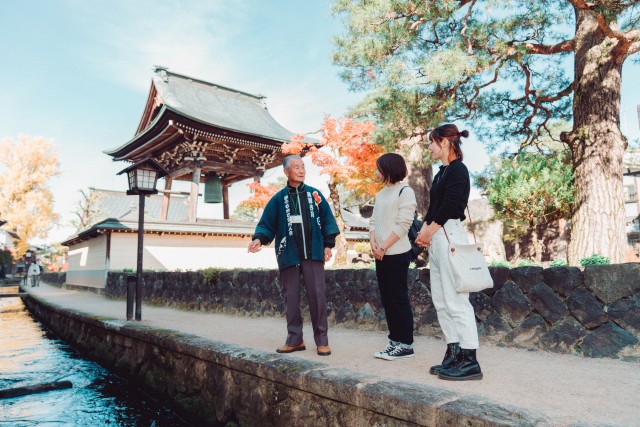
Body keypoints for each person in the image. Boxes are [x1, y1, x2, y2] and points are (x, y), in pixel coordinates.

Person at [248, 155, 340, 356]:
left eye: (303, 167)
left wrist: (328, 245)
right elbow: (267, 224)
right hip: (288, 253)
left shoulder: (315, 195)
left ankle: (322, 341)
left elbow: (328, 220)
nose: (301, 170)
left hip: (313, 252)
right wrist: (258, 239)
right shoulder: (278, 199)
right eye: (296, 167)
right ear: (286, 171)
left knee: (317, 296)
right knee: (291, 298)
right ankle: (295, 339)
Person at [415, 123, 483, 381]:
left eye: (432, 142)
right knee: (442, 300)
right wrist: (424, 229)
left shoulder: (458, 170)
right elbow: (435, 206)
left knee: (456, 299)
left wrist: (430, 231)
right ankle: (453, 351)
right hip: (438, 234)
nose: (429, 147)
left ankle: (470, 360)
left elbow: (454, 204)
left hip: (449, 232)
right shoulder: (442, 172)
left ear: (444, 142)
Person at [369, 153, 417, 361]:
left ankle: (406, 344)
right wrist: (373, 242)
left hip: (397, 253)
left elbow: (403, 224)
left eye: (379, 168)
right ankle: (394, 341)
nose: (377, 172)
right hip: (380, 254)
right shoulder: (381, 194)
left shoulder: (405, 191)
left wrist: (384, 246)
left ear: (389, 168)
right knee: (387, 298)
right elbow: (373, 221)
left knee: (398, 298)